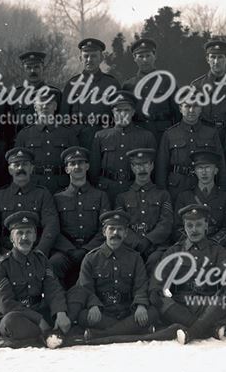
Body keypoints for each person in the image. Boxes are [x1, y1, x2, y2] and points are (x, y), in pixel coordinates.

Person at [0, 146, 61, 331]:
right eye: (16, 164)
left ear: (31, 168)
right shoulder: (0, 195)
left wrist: (40, 250)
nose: (20, 168)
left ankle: (53, 313)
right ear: (9, 169)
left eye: (25, 164)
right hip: (5, 250)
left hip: (35, 249)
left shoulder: (42, 194)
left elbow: (51, 225)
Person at [149, 204, 226, 344]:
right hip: (180, 305)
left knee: (224, 298)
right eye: (189, 225)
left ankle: (190, 333)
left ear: (206, 226)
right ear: (184, 227)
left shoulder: (217, 250)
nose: (194, 230)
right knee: (162, 301)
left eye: (198, 225)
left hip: (208, 304)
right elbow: (160, 274)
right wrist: (155, 288)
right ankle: (211, 329)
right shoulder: (175, 251)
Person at [0, 211, 71, 349]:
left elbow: (53, 289)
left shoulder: (42, 260)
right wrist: (38, 319)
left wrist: (60, 312)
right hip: (15, 315)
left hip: (39, 309)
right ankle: (49, 335)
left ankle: (43, 334)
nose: (24, 237)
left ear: (35, 236)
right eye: (19, 233)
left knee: (70, 301)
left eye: (29, 232)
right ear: (11, 238)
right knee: (11, 322)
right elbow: (6, 304)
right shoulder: (1, 266)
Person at [67, 210, 155, 343]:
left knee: (153, 312)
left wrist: (141, 305)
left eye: (120, 230)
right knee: (83, 315)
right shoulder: (91, 258)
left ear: (125, 233)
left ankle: (101, 335)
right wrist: (93, 305)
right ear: (104, 232)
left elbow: (141, 285)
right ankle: (132, 331)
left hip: (127, 311)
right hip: (103, 313)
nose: (115, 233)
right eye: (111, 229)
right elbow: (85, 287)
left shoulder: (135, 258)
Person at [51, 146, 111, 287]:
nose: (77, 166)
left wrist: (87, 249)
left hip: (94, 249)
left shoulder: (100, 196)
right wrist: (69, 249)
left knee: (106, 263)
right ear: (67, 169)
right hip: (66, 251)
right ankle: (58, 304)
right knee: (53, 264)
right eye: (72, 164)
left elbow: (106, 227)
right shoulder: (57, 198)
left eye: (81, 163)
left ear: (87, 166)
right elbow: (53, 229)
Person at [155, 97, 226, 201]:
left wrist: (223, 190)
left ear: (201, 108)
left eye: (195, 106)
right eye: (187, 106)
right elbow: (162, 167)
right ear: (180, 108)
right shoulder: (170, 134)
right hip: (177, 186)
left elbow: (221, 164)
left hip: (206, 185)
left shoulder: (211, 133)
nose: (191, 110)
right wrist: (162, 194)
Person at [89, 89, 157, 199]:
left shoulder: (146, 136)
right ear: (112, 112)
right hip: (107, 191)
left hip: (135, 190)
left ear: (133, 112)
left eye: (127, 110)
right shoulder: (101, 136)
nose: (122, 114)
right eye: (118, 110)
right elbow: (94, 170)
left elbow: (154, 170)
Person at [115, 147, 174, 265]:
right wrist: (136, 242)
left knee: (156, 260)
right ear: (132, 167)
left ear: (152, 166)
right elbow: (120, 224)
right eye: (137, 165)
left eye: (146, 164)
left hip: (157, 247)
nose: (142, 169)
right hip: (130, 247)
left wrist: (149, 240)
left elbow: (166, 223)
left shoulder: (163, 195)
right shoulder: (122, 197)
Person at [60, 37, 122, 150]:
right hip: (78, 138)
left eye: (93, 56)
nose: (89, 60)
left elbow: (119, 114)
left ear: (101, 58)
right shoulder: (72, 84)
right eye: (86, 56)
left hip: (105, 136)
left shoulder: (111, 83)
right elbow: (64, 116)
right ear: (80, 58)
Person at [14, 87, 79, 194]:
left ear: (55, 106)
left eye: (49, 103)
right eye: (40, 103)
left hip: (62, 187)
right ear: (35, 107)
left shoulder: (68, 133)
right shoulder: (24, 134)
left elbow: (76, 162)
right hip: (34, 187)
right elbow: (17, 165)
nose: (44, 106)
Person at [173, 150, 226, 253]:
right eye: (200, 168)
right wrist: (194, 243)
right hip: (190, 248)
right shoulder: (184, 197)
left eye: (208, 168)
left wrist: (211, 244)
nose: (204, 172)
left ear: (216, 170)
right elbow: (177, 228)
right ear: (195, 171)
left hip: (217, 247)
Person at [123, 37, 179, 143]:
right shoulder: (129, 85)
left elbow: (177, 112)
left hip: (163, 133)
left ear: (154, 56)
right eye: (140, 56)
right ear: (134, 58)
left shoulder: (167, 81)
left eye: (148, 56)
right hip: (138, 133)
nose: (145, 60)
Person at [191, 38, 226, 139]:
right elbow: (191, 115)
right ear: (207, 59)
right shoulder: (197, 85)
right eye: (213, 57)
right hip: (204, 137)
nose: (216, 61)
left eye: (220, 57)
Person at [13, 50, 57, 132]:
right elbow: (10, 127)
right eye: (28, 68)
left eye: (36, 67)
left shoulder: (54, 93)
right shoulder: (15, 95)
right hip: (22, 142)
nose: (32, 71)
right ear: (23, 70)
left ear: (43, 68)